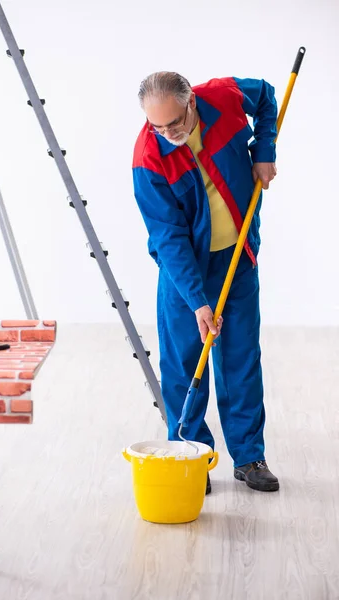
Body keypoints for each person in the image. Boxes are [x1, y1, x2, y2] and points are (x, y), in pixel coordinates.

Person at [132, 71, 279, 492]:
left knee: (240, 359)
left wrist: (262, 148)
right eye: (156, 126)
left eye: (174, 123)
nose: (166, 133)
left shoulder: (225, 97)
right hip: (185, 275)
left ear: (192, 101)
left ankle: (250, 457)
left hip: (237, 258)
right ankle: (191, 457)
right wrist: (197, 301)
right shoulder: (148, 156)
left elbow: (266, 96)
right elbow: (168, 235)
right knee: (183, 366)